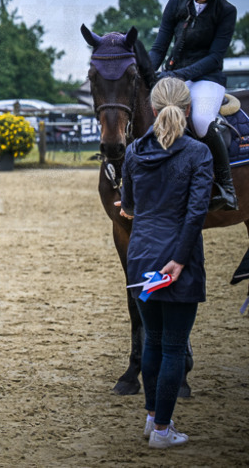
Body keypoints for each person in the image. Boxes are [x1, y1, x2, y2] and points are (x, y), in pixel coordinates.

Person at [118, 77, 211, 449]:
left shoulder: (133, 152)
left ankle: (153, 418)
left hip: (141, 255)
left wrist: (130, 208)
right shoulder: (198, 153)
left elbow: (129, 206)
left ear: (153, 110)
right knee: (174, 346)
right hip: (178, 257)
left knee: (153, 341)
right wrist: (179, 260)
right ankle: (162, 431)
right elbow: (195, 214)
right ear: (188, 111)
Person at [148, 0, 238, 211]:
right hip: (173, 76)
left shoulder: (226, 12)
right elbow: (159, 47)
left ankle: (226, 186)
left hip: (207, 78)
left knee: (199, 120)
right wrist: (148, 73)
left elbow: (215, 57)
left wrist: (179, 75)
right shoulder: (176, 4)